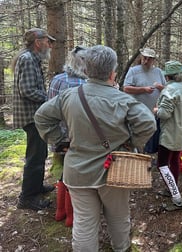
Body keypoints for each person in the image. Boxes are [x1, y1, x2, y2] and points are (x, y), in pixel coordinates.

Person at [34, 45, 156, 251]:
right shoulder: (123, 100)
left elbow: (41, 117)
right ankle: (121, 248)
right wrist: (131, 143)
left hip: (77, 171)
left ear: (86, 70)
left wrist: (61, 141)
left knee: (83, 222)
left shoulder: (69, 96)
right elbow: (148, 124)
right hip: (116, 171)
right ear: (112, 72)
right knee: (118, 217)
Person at [11, 27, 56, 211]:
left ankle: (36, 187)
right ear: (38, 42)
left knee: (40, 154)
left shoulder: (32, 59)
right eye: (47, 41)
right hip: (31, 116)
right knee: (35, 157)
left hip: (34, 115)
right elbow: (27, 90)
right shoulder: (28, 59)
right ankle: (27, 197)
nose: (49, 44)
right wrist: (49, 98)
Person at [48, 45, 88, 227]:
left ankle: (60, 212)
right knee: (75, 177)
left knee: (61, 173)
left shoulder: (56, 80)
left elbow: (47, 109)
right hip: (77, 138)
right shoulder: (86, 85)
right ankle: (71, 217)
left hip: (58, 137)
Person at [155, 60, 182, 209]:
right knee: (174, 161)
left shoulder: (169, 90)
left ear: (167, 77)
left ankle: (177, 198)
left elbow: (164, 114)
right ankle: (172, 189)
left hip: (170, 133)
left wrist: (155, 111)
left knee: (162, 164)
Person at [123, 47, 166, 154]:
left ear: (153, 60)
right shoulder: (134, 71)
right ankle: (136, 155)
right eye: (144, 58)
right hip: (136, 112)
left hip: (153, 112)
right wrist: (143, 89)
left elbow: (166, 89)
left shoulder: (159, 72)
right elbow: (126, 88)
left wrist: (161, 88)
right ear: (141, 57)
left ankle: (147, 156)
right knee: (136, 137)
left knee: (150, 137)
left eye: (149, 59)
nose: (146, 61)